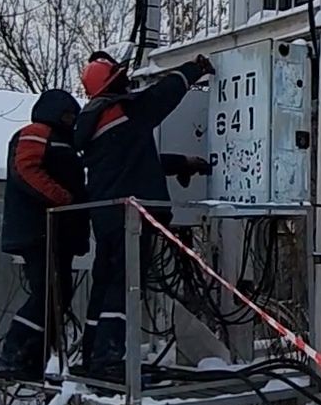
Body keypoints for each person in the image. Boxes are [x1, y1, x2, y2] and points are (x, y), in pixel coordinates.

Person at [71, 50, 214, 385]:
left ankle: (93, 354)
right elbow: (160, 97)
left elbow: (134, 160)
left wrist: (182, 164)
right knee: (123, 283)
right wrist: (193, 70)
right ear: (111, 85)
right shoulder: (125, 112)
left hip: (106, 215)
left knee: (105, 281)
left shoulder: (96, 122)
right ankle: (109, 358)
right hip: (131, 216)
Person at [0, 89, 88, 383]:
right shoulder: (36, 132)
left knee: (57, 293)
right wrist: (61, 197)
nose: (71, 121)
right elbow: (26, 168)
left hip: (57, 232)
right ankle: (14, 356)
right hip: (40, 229)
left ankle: (31, 360)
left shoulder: (67, 143)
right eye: (68, 115)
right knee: (47, 293)